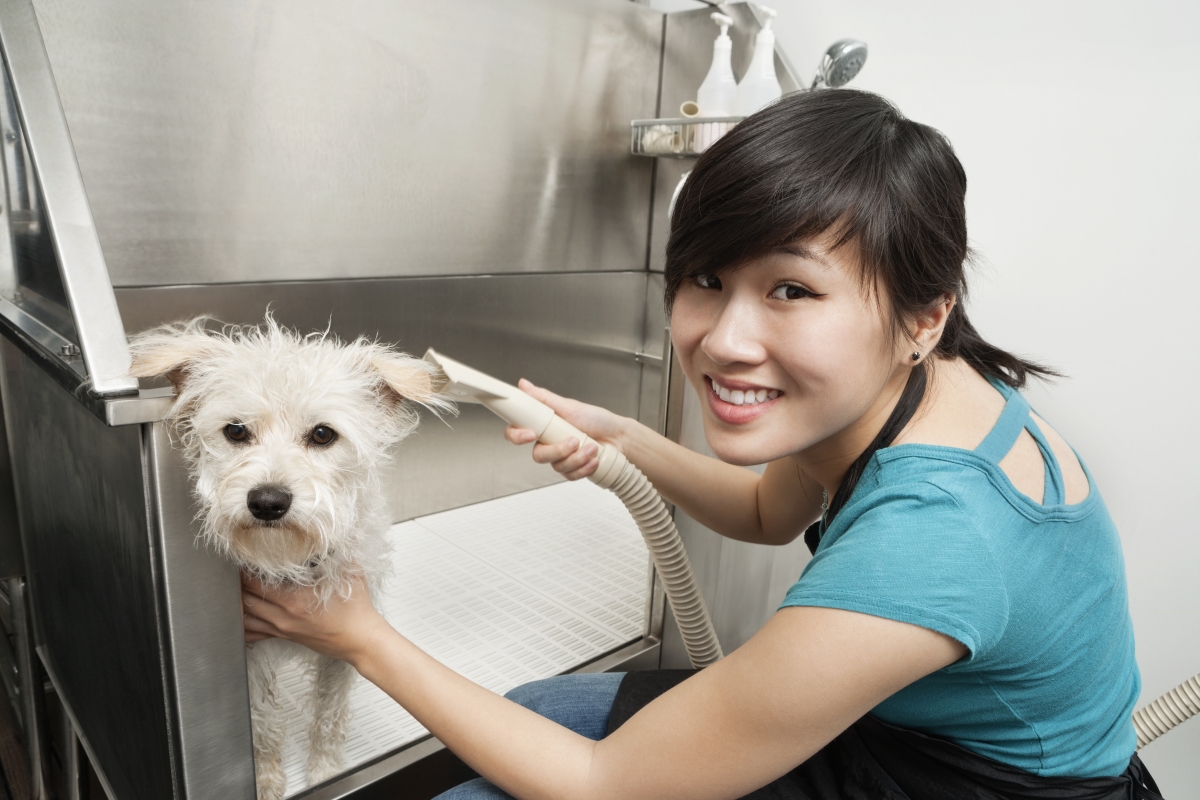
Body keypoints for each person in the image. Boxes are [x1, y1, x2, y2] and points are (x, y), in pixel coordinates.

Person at [241, 90, 1163, 799]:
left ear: (925, 312)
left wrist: (358, 636)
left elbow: (606, 788)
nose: (725, 339)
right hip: (914, 735)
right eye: (707, 279)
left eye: (793, 291)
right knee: (532, 713)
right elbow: (767, 511)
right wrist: (622, 443)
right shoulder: (922, 391)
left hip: (947, 782)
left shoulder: (935, 541)